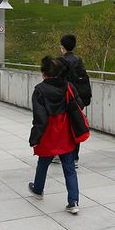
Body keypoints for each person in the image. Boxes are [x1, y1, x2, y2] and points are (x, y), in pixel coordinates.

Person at [28, 56, 81, 214]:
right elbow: (79, 105)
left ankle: (38, 190)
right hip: (66, 134)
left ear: (43, 73)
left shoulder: (39, 90)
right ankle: (73, 201)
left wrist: (34, 139)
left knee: (43, 163)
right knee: (69, 168)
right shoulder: (68, 87)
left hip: (49, 135)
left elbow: (40, 119)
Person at [57, 34, 91, 168]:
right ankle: (74, 158)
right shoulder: (79, 60)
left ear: (63, 46)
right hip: (78, 99)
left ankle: (60, 154)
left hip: (64, 99)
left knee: (61, 127)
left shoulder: (60, 61)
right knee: (76, 126)